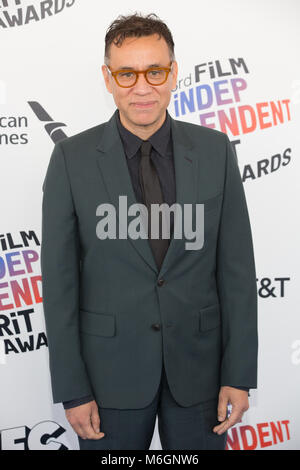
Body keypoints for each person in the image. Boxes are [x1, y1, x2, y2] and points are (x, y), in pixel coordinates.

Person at [40, 12, 258, 450]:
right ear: (108, 77)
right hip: (107, 379)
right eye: (127, 73)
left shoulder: (216, 152)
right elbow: (60, 285)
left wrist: (238, 375)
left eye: (155, 71)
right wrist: (73, 388)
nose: (142, 87)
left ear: (174, 72)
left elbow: (236, 272)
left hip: (200, 377)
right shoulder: (70, 159)